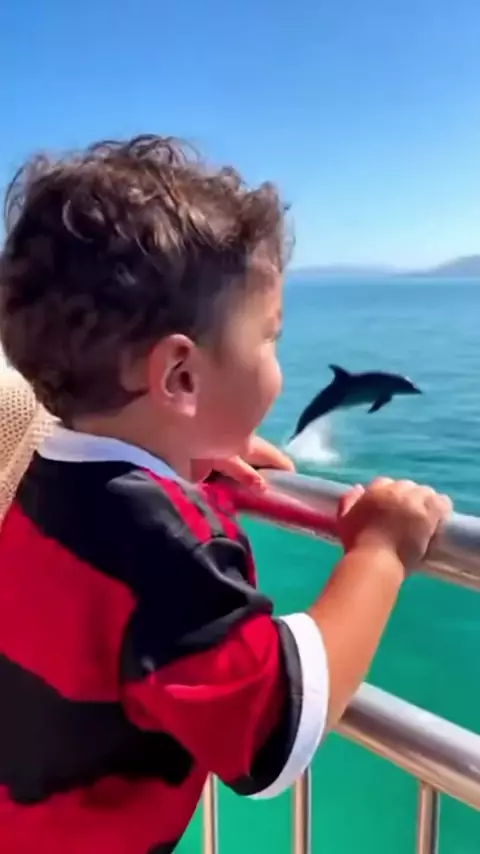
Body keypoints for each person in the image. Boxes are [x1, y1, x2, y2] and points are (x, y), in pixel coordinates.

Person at [0, 135, 451, 854]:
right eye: (270, 339)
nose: (277, 364)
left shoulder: (42, 482)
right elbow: (274, 733)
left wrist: (186, 458)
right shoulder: (165, 549)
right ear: (180, 377)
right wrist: (382, 549)